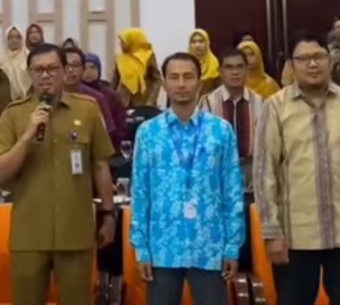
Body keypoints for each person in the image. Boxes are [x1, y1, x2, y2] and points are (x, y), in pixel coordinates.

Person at [0, 43, 116, 305]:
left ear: (64, 70)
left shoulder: (87, 109)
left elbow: (100, 165)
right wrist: (27, 137)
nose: (45, 75)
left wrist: (108, 214)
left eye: (52, 69)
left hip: (75, 231)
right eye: (38, 70)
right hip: (29, 234)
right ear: (30, 74)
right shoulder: (13, 114)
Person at [131, 52, 244, 305]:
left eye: (188, 77)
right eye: (174, 77)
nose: (181, 84)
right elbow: (140, 193)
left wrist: (232, 246)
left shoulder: (221, 131)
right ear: (164, 83)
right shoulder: (148, 133)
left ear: (199, 83)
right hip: (162, 247)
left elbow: (232, 192)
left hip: (209, 244)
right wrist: (141, 248)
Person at [253, 32, 340, 305]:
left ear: (330, 61)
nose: (312, 64)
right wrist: (272, 232)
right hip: (295, 237)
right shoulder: (275, 107)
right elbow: (264, 172)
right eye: (304, 59)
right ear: (291, 65)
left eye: (319, 57)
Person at [198, 48, 263, 272]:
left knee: (251, 232)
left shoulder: (261, 103)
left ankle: (251, 275)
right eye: (229, 67)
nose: (235, 72)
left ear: (247, 70)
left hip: (252, 175)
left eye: (240, 67)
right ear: (220, 71)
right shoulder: (207, 103)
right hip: (218, 178)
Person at [64, 47, 118, 147]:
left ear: (82, 69)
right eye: (65, 65)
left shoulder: (96, 98)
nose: (70, 70)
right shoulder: (51, 96)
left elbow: (109, 134)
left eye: (75, 65)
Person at [0, 26, 31, 126]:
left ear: (22, 39)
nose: (14, 40)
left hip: (27, 106)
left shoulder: (30, 59)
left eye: (18, 37)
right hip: (4, 108)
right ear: (6, 40)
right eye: (11, 37)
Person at [83, 53, 126, 145]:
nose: (88, 72)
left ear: (99, 70)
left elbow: (120, 122)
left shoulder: (110, 94)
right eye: (84, 68)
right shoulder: (76, 92)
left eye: (92, 67)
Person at [112, 28, 162, 108]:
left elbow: (157, 80)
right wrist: (112, 99)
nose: (120, 45)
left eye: (123, 42)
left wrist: (151, 101)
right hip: (123, 102)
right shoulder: (120, 58)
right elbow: (115, 80)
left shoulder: (148, 56)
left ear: (132, 41)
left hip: (144, 102)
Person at [188, 28, 221, 96]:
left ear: (207, 43)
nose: (197, 45)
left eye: (201, 41)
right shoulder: (185, 63)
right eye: (194, 42)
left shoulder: (214, 63)